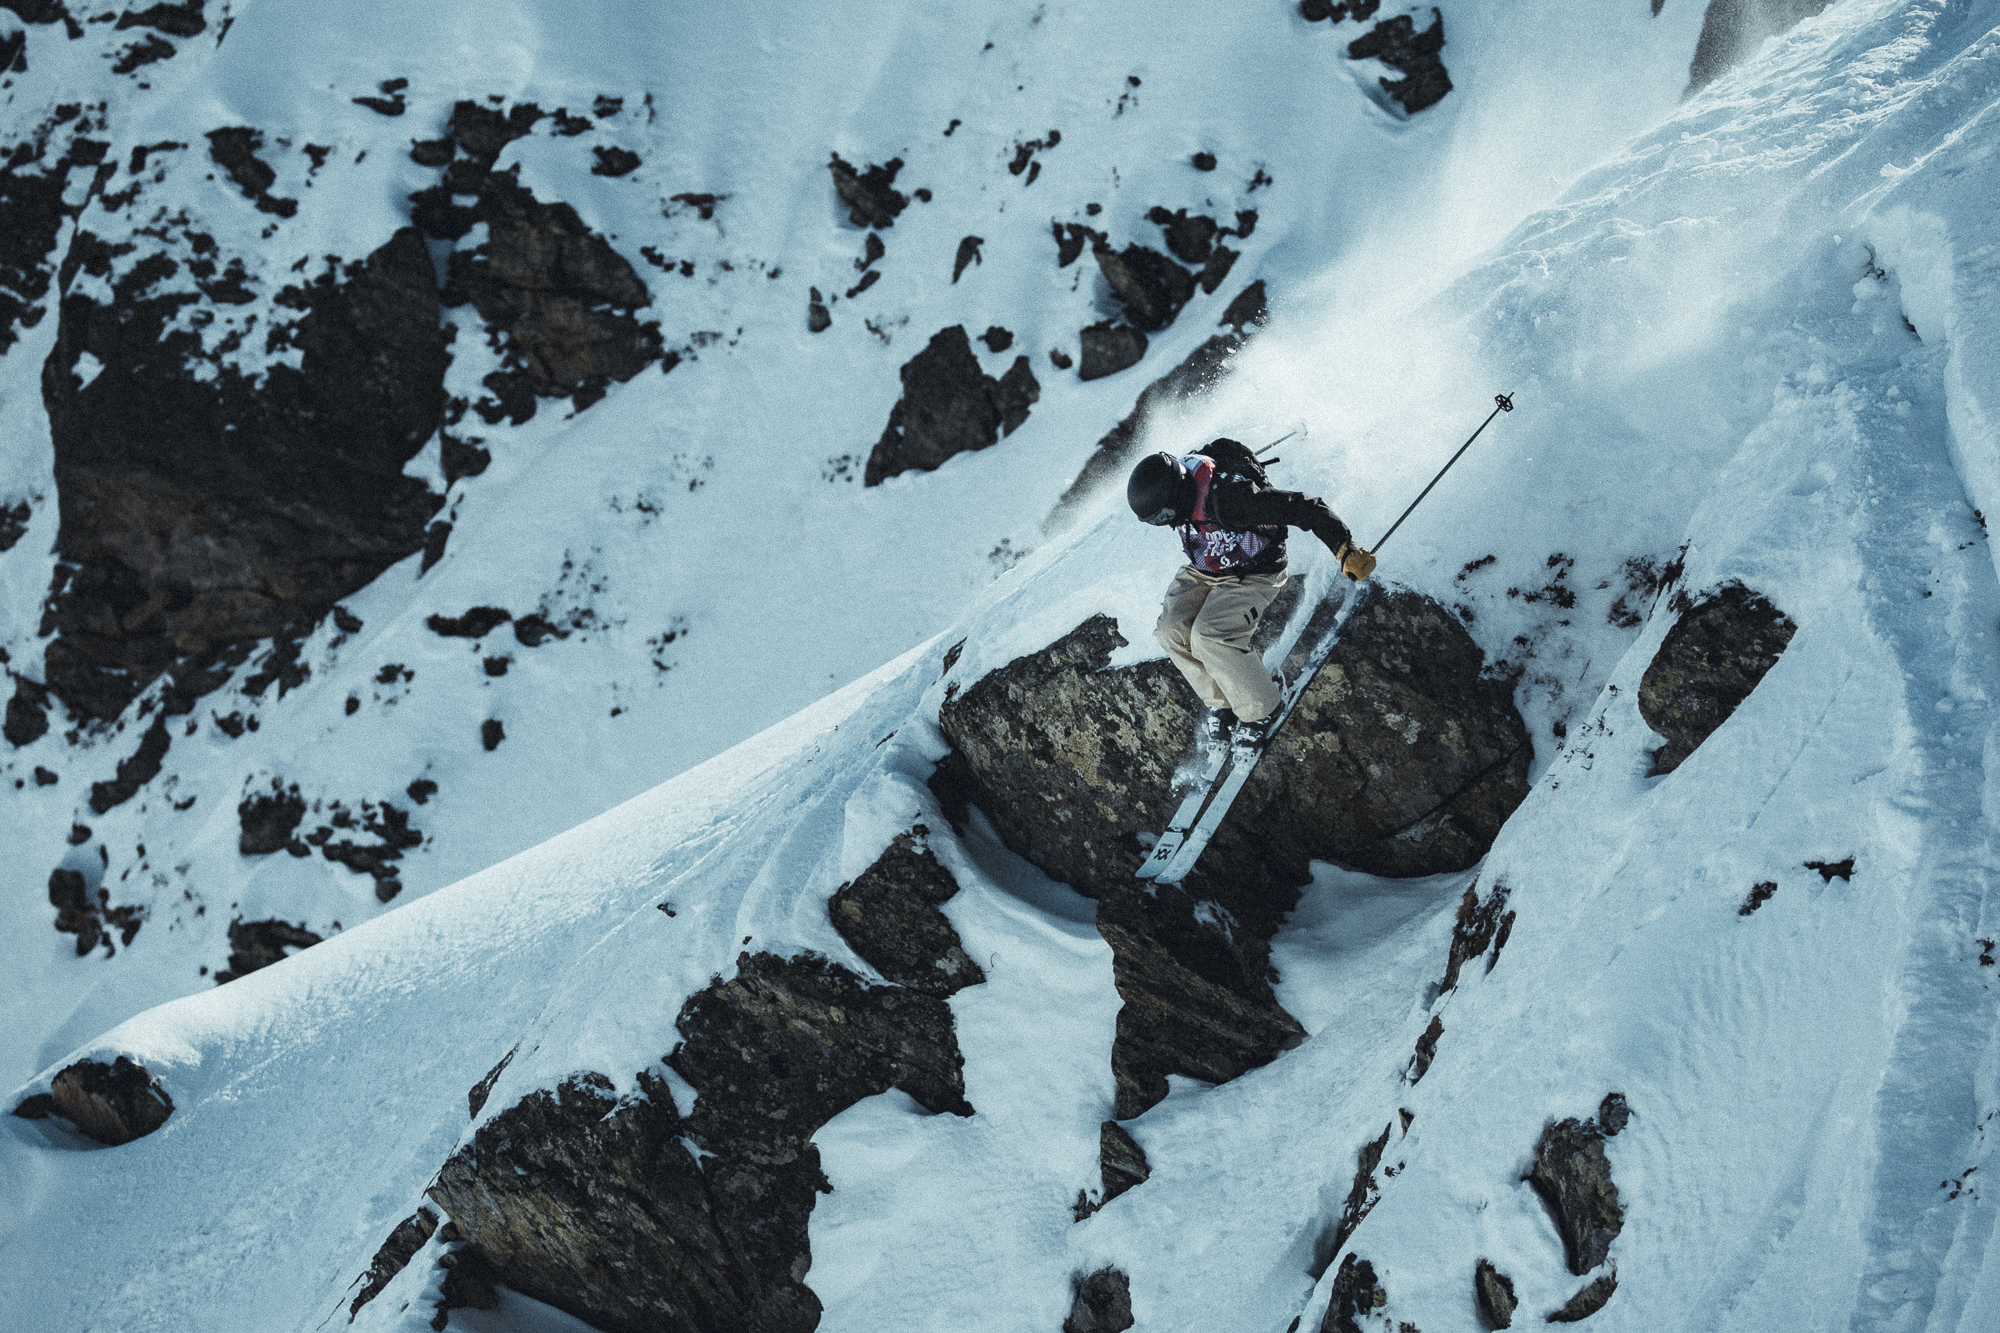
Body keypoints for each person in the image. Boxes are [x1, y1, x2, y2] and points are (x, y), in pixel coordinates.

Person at [1127, 439, 1375, 759]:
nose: (1168, 524)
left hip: (1254, 570)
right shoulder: (1184, 484)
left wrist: (1344, 549)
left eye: (1165, 517)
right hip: (1207, 567)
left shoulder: (1231, 502)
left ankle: (1262, 708)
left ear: (1176, 498)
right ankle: (1224, 702)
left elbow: (1304, 507)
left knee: (1209, 635)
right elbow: (1216, 448)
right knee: (1170, 631)